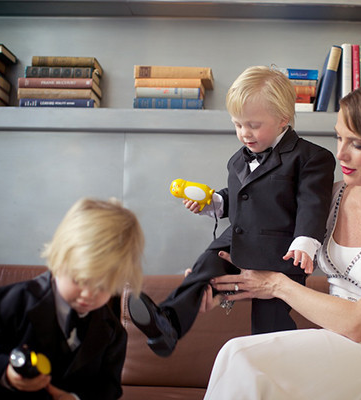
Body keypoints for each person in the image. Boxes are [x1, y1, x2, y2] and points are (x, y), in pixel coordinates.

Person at [203, 79, 361, 400]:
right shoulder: (333, 195)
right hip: (337, 341)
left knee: (244, 359)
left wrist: (276, 285)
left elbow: (359, 324)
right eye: (339, 137)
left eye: (357, 144)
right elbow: (262, 231)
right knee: (236, 354)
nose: (341, 154)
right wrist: (215, 276)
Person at [127, 65, 336, 357]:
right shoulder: (238, 160)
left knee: (270, 327)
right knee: (202, 273)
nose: (244, 133)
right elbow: (243, 196)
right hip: (234, 243)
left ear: (283, 119)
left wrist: (306, 240)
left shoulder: (311, 158)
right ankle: (167, 324)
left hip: (278, 256)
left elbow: (313, 202)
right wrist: (215, 202)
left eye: (253, 125)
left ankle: (278, 365)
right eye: (237, 125)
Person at [0, 198, 144, 400]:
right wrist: (5, 373)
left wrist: (75, 398)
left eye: (103, 287)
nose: (88, 294)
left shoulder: (113, 331)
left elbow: (110, 387)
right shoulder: (6, 303)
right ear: (59, 260)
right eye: (79, 280)